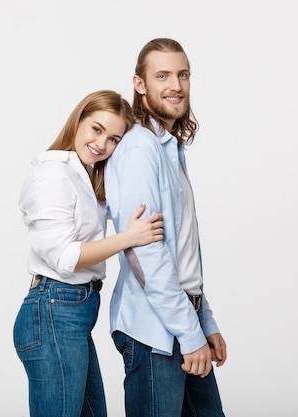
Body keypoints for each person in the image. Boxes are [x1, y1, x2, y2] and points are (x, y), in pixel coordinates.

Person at [13, 89, 165, 417]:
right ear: (78, 120)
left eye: (113, 139)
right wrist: (128, 238)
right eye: (96, 129)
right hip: (54, 309)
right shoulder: (52, 174)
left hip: (73, 312)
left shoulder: (83, 176)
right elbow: (65, 257)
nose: (101, 144)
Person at [104, 38, 228, 416]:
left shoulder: (168, 148)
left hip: (182, 320)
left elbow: (183, 249)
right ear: (140, 84)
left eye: (182, 74)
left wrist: (203, 320)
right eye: (162, 75)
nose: (175, 85)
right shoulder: (140, 149)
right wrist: (191, 334)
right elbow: (146, 254)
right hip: (154, 330)